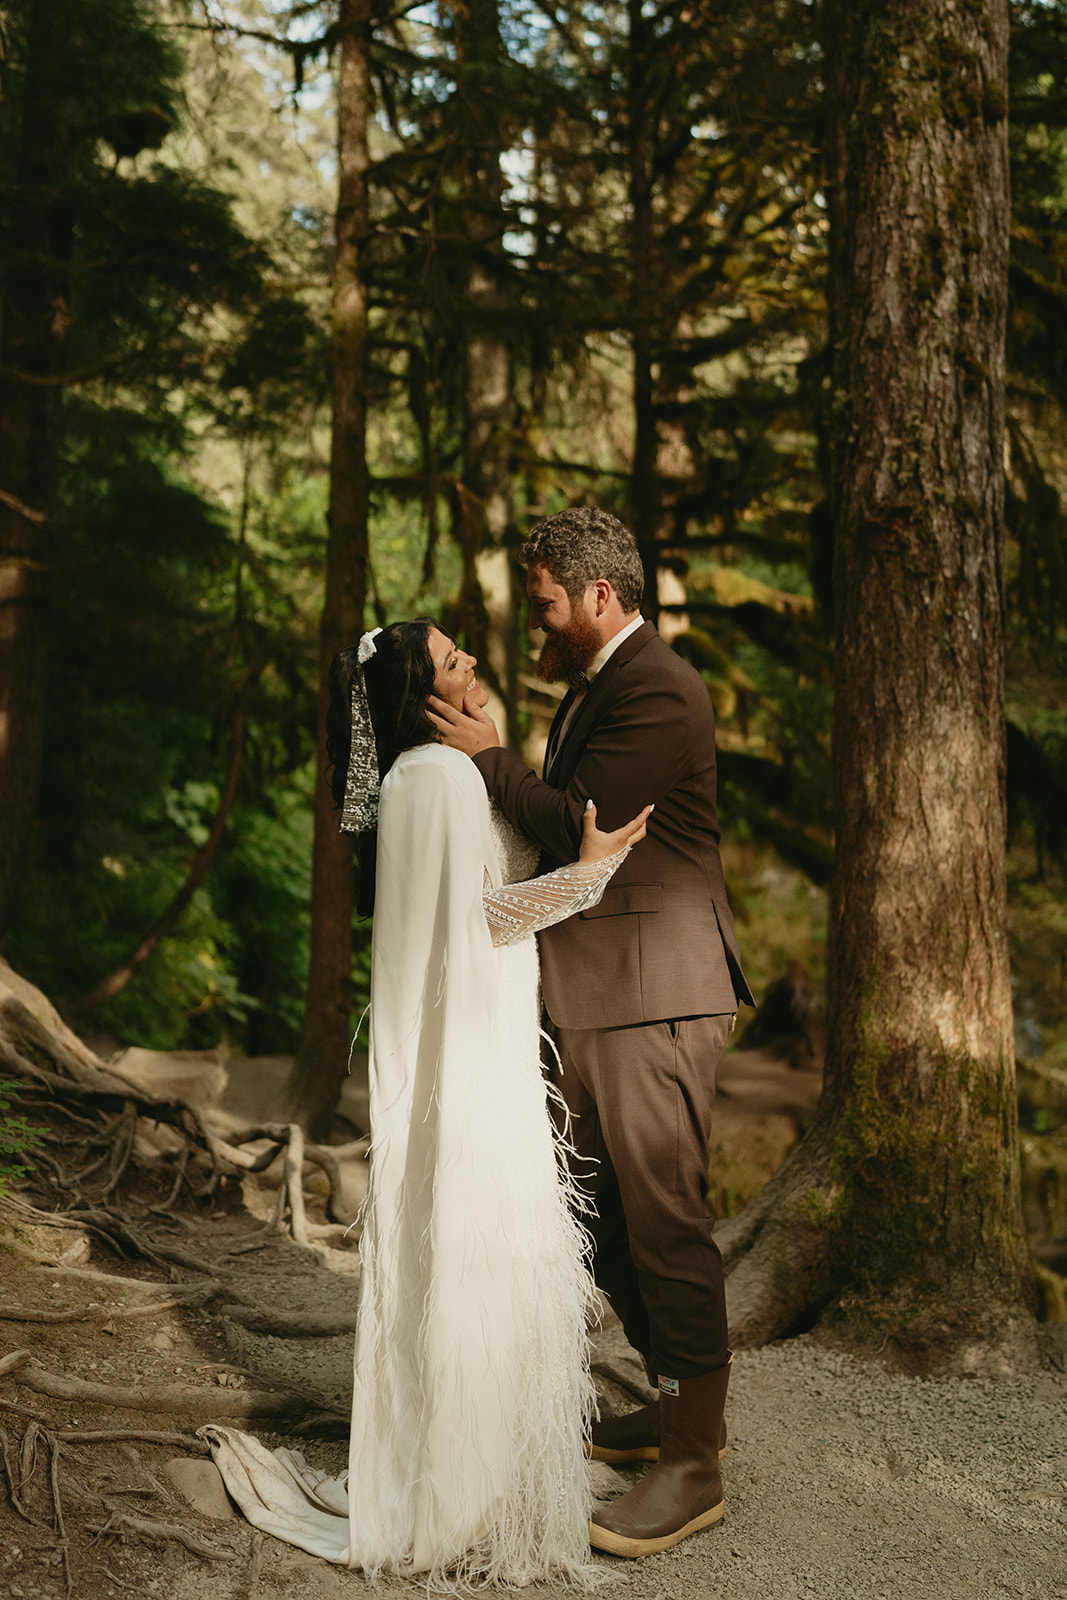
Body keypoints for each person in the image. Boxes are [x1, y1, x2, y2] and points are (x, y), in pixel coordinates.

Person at [202, 617, 650, 1587]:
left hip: (467, 1041)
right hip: (479, 1045)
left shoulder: (419, 781)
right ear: (422, 697)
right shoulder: (440, 781)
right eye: (455, 661)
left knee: (458, 1251)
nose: (476, 663)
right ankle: (463, 1493)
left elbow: (477, 892)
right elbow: (487, 917)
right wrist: (591, 876)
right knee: (479, 1247)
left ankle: (461, 1475)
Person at [428, 508, 754, 1562]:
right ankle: (666, 1402)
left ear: (600, 595)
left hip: (655, 992)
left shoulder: (657, 686)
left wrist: (487, 754)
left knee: (660, 1215)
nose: (534, 625)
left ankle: (695, 1463)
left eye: (545, 605)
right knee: (597, 1208)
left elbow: (579, 829)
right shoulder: (597, 688)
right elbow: (570, 840)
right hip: (591, 990)